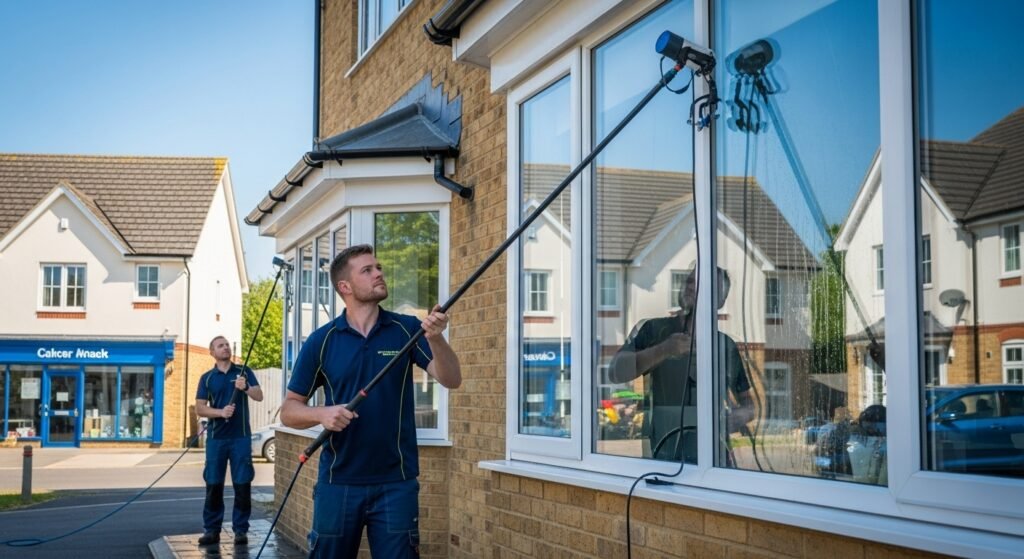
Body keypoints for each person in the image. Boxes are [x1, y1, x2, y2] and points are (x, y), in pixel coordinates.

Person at [281, 244, 462, 558]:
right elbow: (289, 411)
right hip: (338, 482)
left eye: (378, 267)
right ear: (345, 287)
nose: (379, 273)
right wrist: (323, 413)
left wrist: (435, 338)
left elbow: (451, 379)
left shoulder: (406, 329)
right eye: (367, 270)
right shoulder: (321, 341)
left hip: (396, 482)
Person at [609, 266, 755, 462]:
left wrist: (743, 414)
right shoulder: (654, 330)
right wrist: (664, 349)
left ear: (720, 301)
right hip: (665, 456)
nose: (690, 286)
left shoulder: (725, 345)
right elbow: (616, 373)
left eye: (701, 283)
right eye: (689, 280)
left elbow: (748, 403)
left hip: (715, 460)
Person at [194, 335, 264, 546]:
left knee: (242, 484)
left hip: (240, 438)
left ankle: (240, 530)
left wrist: (245, 388)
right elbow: (200, 407)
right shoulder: (207, 378)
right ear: (212, 352)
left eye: (226, 345)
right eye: (220, 345)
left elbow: (259, 395)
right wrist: (220, 412)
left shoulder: (243, 373)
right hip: (216, 439)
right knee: (213, 485)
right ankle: (212, 530)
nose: (225, 348)